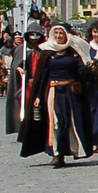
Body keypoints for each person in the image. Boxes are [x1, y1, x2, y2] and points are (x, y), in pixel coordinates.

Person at [20, 25, 92, 168]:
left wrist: (88, 68)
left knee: (68, 123)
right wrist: (39, 96)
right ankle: (56, 154)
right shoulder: (48, 53)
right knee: (56, 123)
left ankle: (68, 150)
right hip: (53, 92)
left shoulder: (74, 53)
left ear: (66, 35)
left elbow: (82, 74)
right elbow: (43, 76)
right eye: (56, 33)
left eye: (61, 33)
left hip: (70, 92)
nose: (59, 36)